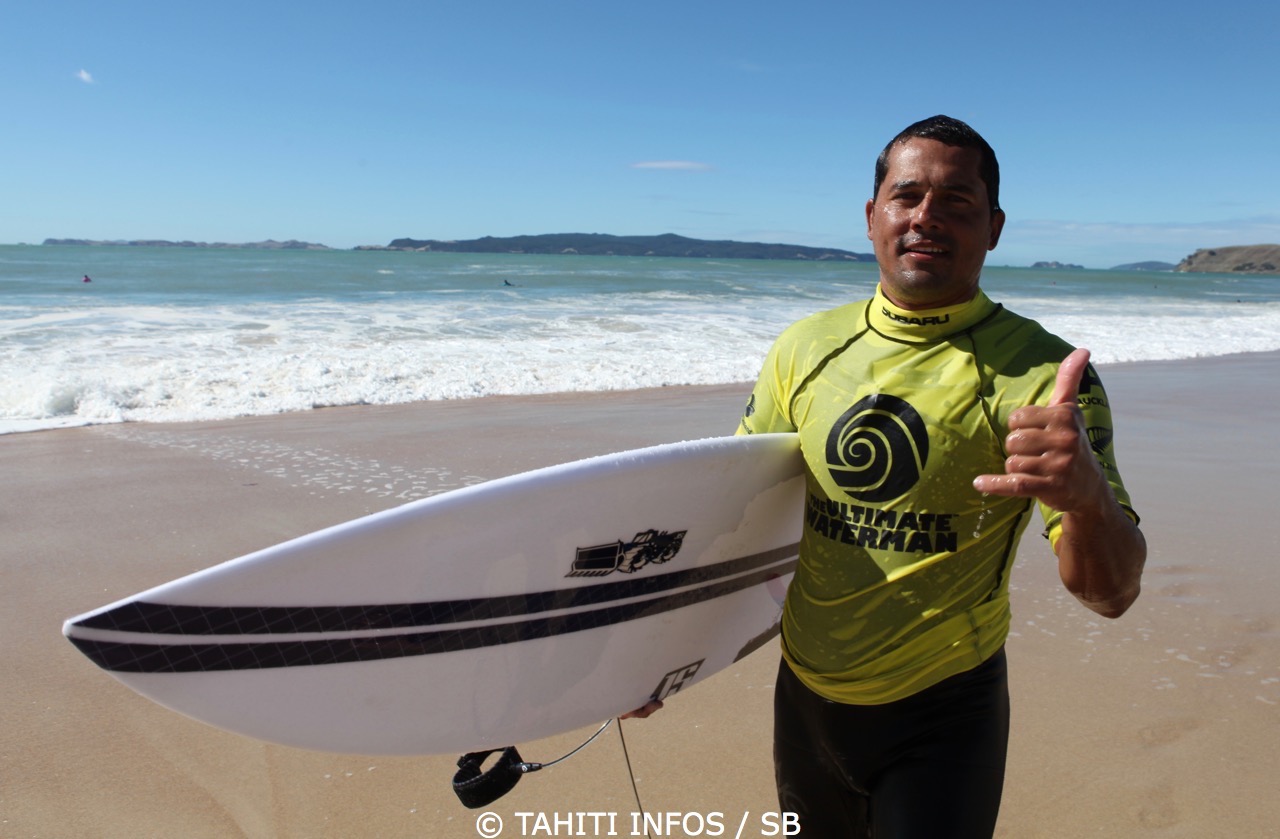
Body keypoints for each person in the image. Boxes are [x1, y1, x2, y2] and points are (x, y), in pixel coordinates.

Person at [628, 115, 1146, 838]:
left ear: (993, 227)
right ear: (872, 216)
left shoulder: (1046, 378)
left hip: (943, 715)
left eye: (957, 201)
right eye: (907, 196)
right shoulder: (803, 349)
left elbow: (1112, 593)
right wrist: (653, 654)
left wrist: (1086, 497)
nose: (927, 217)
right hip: (804, 700)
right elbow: (736, 520)